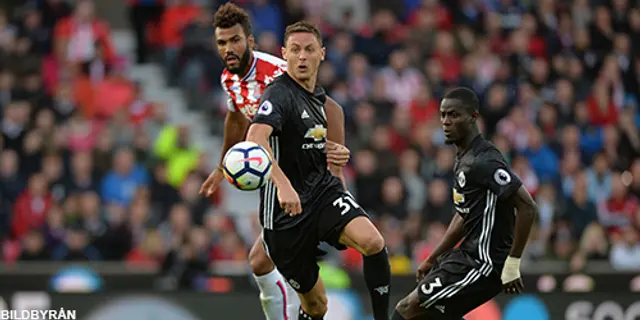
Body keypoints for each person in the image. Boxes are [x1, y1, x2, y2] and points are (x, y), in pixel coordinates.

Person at [198, 4, 351, 320]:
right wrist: (220, 166)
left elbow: (331, 109)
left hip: (303, 176)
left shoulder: (278, 72)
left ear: (250, 41)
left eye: (235, 40)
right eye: (222, 42)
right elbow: (236, 116)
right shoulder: (230, 78)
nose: (229, 48)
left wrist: (335, 165)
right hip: (278, 170)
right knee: (262, 262)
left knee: (264, 262)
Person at [245, 21, 391, 320]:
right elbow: (254, 139)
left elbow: (332, 163)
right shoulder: (279, 94)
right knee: (317, 307)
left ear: (321, 54)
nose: (302, 56)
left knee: (374, 242)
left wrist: (339, 159)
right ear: (284, 54)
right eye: (295, 50)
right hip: (287, 216)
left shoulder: (329, 107)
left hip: (323, 195)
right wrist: (283, 185)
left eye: (309, 50)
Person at [392, 87, 539, 320]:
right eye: (442, 115)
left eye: (453, 115)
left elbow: (527, 206)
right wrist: (434, 256)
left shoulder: (484, 161)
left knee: (407, 310)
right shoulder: (463, 158)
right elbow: (464, 214)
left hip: (483, 263)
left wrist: (513, 262)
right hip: (464, 256)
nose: (445, 122)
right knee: (433, 316)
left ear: (473, 117)